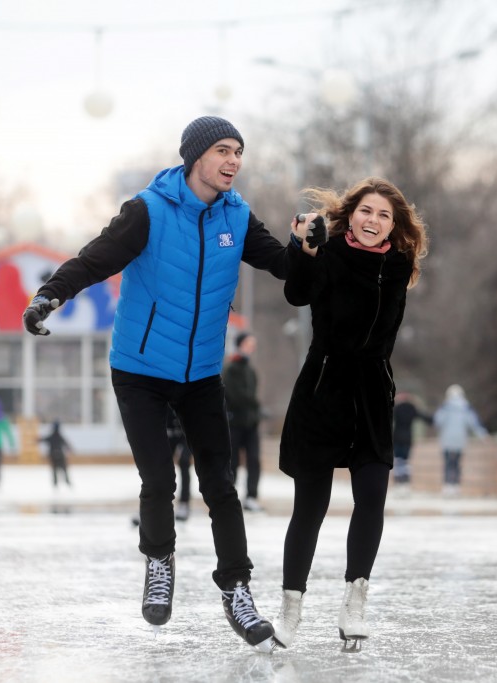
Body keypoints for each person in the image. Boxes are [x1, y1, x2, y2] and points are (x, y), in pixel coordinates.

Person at [22, 115, 295, 651]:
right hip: (140, 370)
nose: (234, 161)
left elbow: (284, 265)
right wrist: (48, 296)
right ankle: (159, 563)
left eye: (239, 152)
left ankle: (237, 590)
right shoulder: (147, 211)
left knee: (221, 483)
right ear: (196, 156)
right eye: (223, 150)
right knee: (159, 480)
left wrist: (312, 246)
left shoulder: (236, 217)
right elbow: (94, 260)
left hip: (199, 374)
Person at [272, 177, 428, 651]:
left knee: (372, 498)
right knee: (310, 508)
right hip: (324, 387)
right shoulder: (330, 251)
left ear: (393, 226)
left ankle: (353, 603)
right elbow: (296, 294)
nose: (373, 220)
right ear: (352, 214)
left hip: (373, 393)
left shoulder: (398, 266)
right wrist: (303, 248)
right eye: (366, 211)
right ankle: (291, 607)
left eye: (384, 215)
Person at [223, 331, 264, 512]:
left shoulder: (250, 369)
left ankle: (251, 497)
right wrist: (256, 405)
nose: (251, 347)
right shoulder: (231, 368)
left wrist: (256, 413)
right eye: (248, 343)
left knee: (254, 460)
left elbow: (252, 394)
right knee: (232, 462)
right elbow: (236, 395)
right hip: (235, 423)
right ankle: (229, 496)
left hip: (251, 424)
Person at [433, 384, 486, 496]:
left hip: (447, 441)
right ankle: (456, 486)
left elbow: (438, 421)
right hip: (460, 440)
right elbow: (473, 423)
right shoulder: (466, 407)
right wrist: (483, 435)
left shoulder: (445, 407)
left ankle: (447, 486)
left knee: (448, 463)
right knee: (456, 463)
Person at [391, 392, 431, 489]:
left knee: (398, 459)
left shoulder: (396, 409)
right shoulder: (412, 409)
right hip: (407, 438)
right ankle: (405, 482)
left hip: (396, 437)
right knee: (405, 460)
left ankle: (398, 481)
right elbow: (425, 418)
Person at [166, 407, 194, 521]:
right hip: (166, 427)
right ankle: (152, 503)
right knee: (159, 465)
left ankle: (184, 502)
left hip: (187, 429)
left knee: (184, 461)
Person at [39, 420, 73, 488]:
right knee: (63, 468)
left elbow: (43, 439)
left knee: (55, 469)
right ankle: (66, 481)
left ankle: (56, 483)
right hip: (59, 454)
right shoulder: (59, 436)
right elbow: (66, 443)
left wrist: (37, 440)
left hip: (53, 454)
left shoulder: (52, 436)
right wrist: (69, 448)